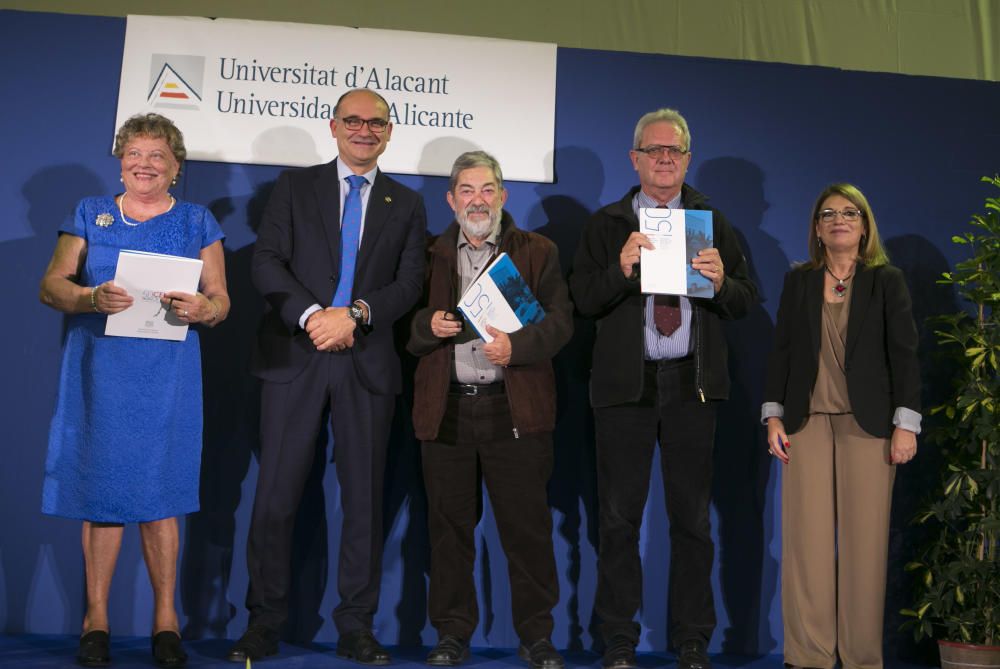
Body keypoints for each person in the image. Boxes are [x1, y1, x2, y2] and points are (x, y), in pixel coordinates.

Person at [229, 88, 427, 664]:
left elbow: (409, 283)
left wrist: (357, 315)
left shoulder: (407, 203)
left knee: (364, 501)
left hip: (365, 362)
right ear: (333, 126)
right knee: (276, 496)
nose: (365, 130)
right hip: (296, 355)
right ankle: (264, 621)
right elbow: (266, 262)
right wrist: (316, 316)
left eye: (377, 123)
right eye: (354, 121)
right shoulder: (294, 187)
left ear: (389, 132)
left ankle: (356, 624)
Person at [39, 112, 230, 668]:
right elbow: (52, 286)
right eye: (134, 155)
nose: (144, 165)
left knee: (160, 493)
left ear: (176, 167)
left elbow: (221, 300)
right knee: (101, 491)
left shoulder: (198, 221)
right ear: (120, 160)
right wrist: (90, 298)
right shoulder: (88, 213)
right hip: (98, 370)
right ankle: (94, 620)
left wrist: (204, 308)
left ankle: (165, 622)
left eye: (157, 157)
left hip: (166, 373)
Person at [570, 108, 757, 669]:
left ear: (687, 160)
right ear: (635, 159)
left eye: (674, 151)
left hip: (691, 389)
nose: (665, 159)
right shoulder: (606, 225)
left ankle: (693, 639)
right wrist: (619, 270)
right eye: (654, 151)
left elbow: (745, 301)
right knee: (617, 520)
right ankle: (619, 640)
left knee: (692, 522)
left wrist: (723, 282)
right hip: (626, 390)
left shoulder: (712, 220)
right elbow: (582, 299)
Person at [407, 151, 572, 669]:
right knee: (448, 530)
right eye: (467, 191)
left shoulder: (536, 251)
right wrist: (425, 327)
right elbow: (402, 328)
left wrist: (517, 349)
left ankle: (537, 637)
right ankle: (452, 634)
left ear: (503, 196)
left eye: (488, 190)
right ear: (451, 199)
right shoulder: (428, 254)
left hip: (513, 409)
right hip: (447, 409)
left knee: (526, 531)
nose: (477, 200)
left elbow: (562, 322)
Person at [762, 183, 920, 669]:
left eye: (849, 212)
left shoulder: (886, 280)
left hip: (869, 427)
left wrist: (906, 424)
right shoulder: (799, 283)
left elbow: (905, 356)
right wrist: (773, 417)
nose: (839, 220)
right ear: (816, 228)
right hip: (805, 424)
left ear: (864, 224)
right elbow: (783, 352)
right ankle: (807, 655)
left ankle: (860, 657)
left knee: (865, 546)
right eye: (828, 213)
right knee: (805, 546)